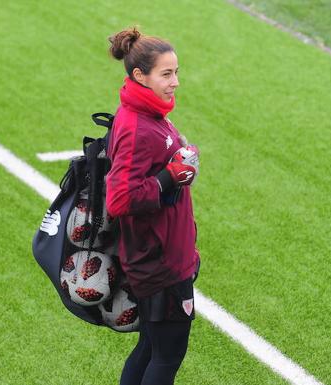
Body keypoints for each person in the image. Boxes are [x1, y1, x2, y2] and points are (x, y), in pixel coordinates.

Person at [105, 27, 201, 385]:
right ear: (139, 76)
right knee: (167, 354)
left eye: (176, 72)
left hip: (164, 254)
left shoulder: (150, 114)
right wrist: (169, 176)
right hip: (158, 263)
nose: (175, 82)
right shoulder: (136, 126)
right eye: (166, 74)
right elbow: (120, 199)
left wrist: (178, 162)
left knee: (150, 347)